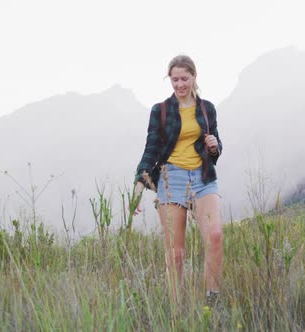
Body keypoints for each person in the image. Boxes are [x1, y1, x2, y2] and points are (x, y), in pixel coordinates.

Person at [133, 55, 223, 306]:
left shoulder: (207, 108)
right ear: (169, 80)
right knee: (176, 254)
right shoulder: (160, 110)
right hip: (171, 177)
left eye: (185, 78)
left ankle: (212, 304)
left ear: (194, 77)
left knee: (215, 236)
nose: (180, 84)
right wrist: (139, 184)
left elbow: (215, 148)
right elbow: (151, 148)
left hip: (203, 177)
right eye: (175, 79)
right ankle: (176, 307)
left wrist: (214, 146)